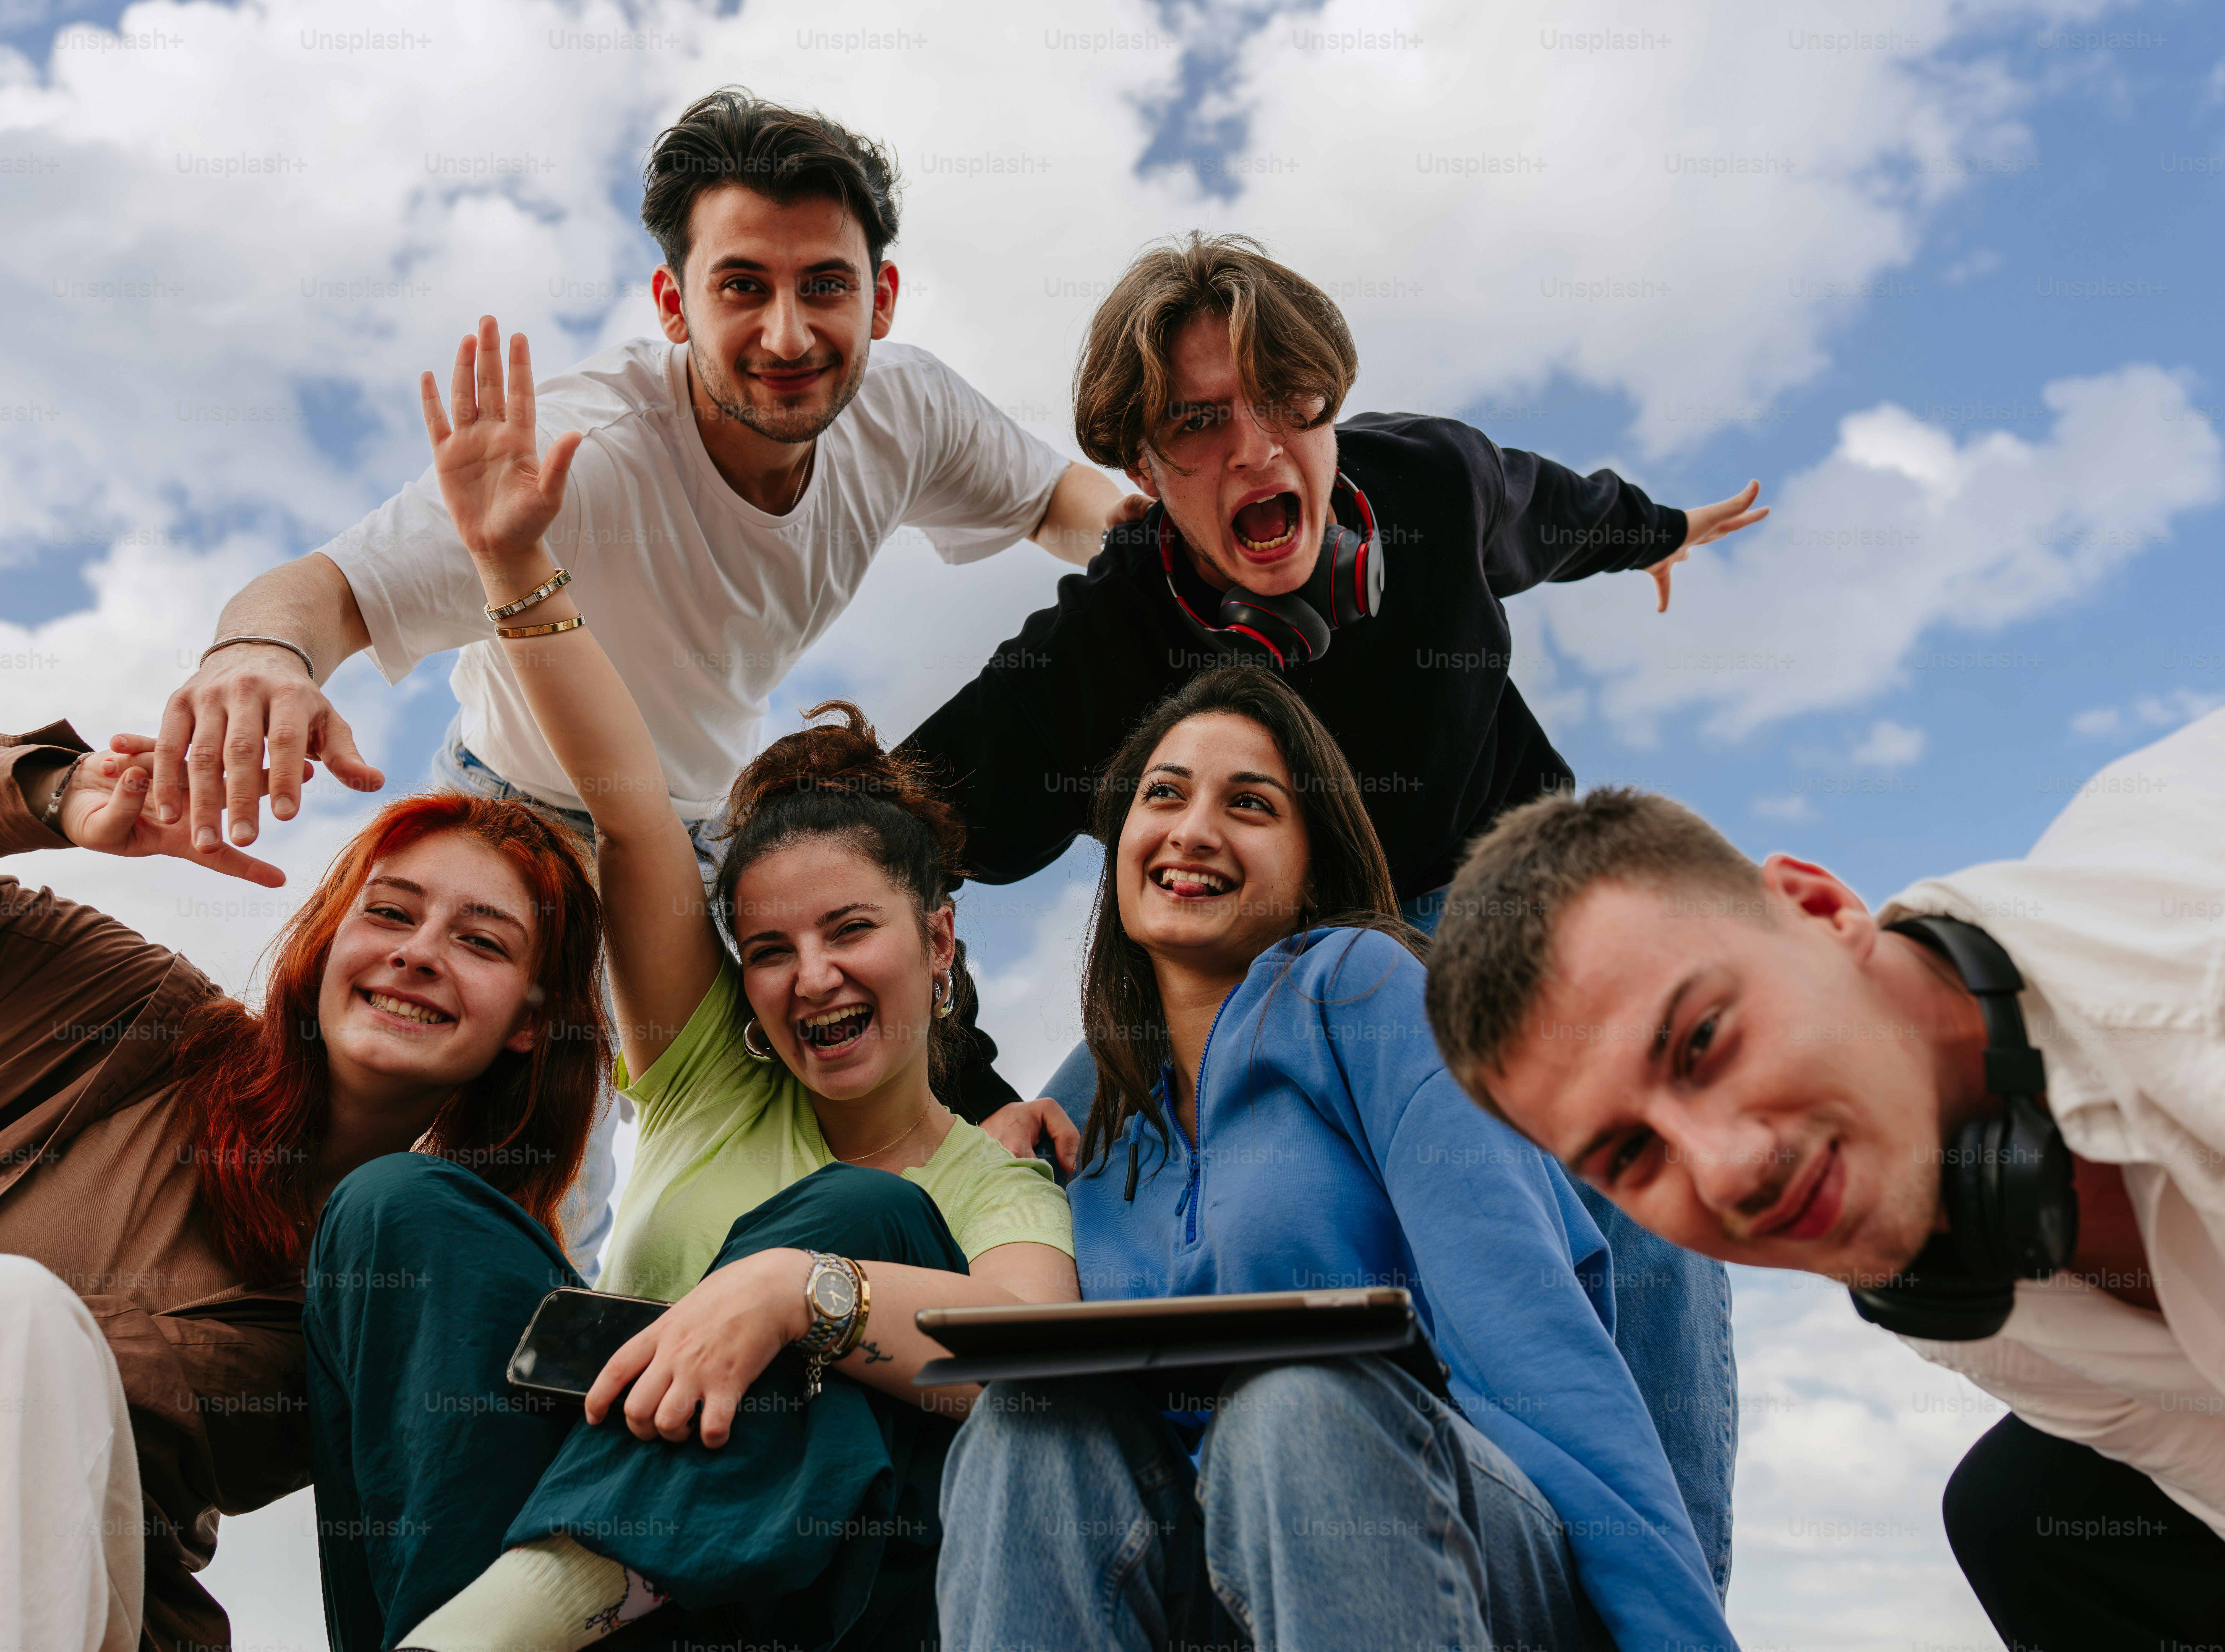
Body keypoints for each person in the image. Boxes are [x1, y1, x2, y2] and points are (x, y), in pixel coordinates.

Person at [155, 87, 1136, 1276]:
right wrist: (259, 657)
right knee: (532, 1164)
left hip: (708, 830)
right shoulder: (587, 453)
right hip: (532, 813)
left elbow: (1061, 503)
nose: (787, 334)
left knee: (839, 1035)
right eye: (742, 288)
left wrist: (1178, 551)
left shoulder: (908, 410)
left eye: (824, 285)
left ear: (880, 295)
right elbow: (325, 591)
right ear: (674, 303)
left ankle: (950, 1174)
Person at [925, 230, 1757, 1585]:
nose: (1257, 452)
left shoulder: (1428, 479)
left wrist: (1663, 531)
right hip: (1262, 968)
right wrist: (963, 1096)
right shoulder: (1109, 638)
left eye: (1286, 404)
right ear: (1142, 470)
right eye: (1198, 424)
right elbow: (888, 836)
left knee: (1644, 1144)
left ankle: (1663, 1593)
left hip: (1505, 915)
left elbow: (1559, 514)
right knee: (1064, 1145)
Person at [301, 316, 1077, 1652]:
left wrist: (793, 1291)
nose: (808, 976)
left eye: (850, 932)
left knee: (853, 1212)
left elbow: (1030, 1361)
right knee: (401, 1205)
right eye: (768, 949)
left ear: (940, 944)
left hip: (771, 1601)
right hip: (554, 1580)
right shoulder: (711, 1062)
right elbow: (631, 803)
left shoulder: (988, 1176)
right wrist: (510, 563)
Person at [0, 724, 606, 1650]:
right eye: (391, 914)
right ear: (326, 945)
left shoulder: (396, 1296)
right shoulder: (116, 1010)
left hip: (35, 1577)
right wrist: (52, 795)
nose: (419, 952)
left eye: (481, 940)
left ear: (533, 1021)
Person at [935, 666, 1732, 1652]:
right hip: (1217, 1585)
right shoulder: (1082, 1120)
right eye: (1165, 794)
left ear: (1312, 866)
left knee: (1296, 1403)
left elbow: (1529, 1334)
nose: (1192, 829)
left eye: (1252, 804)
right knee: (1030, 1427)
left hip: (1447, 1540)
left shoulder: (1366, 992)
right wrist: (998, 1171)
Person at [1420, 708, 2225, 1650]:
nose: (1727, 1171)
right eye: (1632, 1156)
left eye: (1705, 1040)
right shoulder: (1938, 1261)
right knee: (2017, 1507)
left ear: (1819, 907)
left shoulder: (2193, 979)